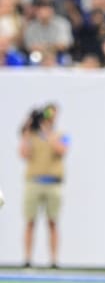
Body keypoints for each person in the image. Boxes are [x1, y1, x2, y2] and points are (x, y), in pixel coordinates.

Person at [19, 103, 69, 269]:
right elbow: (23, 154)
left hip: (53, 183)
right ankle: (27, 259)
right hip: (34, 181)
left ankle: (54, 260)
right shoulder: (32, 134)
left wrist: (47, 133)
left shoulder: (61, 134)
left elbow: (62, 150)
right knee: (30, 221)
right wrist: (26, 131)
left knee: (52, 221)